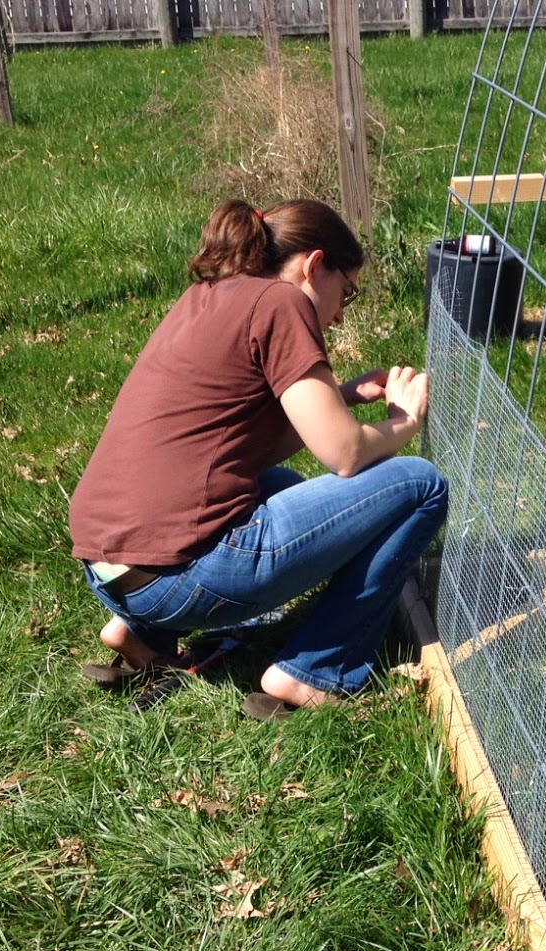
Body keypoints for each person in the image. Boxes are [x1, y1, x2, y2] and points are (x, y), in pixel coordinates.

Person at [68, 198, 448, 718]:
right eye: (347, 293)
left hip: (109, 567)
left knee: (276, 483)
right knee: (421, 485)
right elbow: (344, 453)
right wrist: (405, 421)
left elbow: (248, 449)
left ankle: (141, 633)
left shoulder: (207, 296)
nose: (338, 314)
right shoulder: (279, 303)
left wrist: (348, 395)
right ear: (314, 265)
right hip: (173, 578)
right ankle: (315, 672)